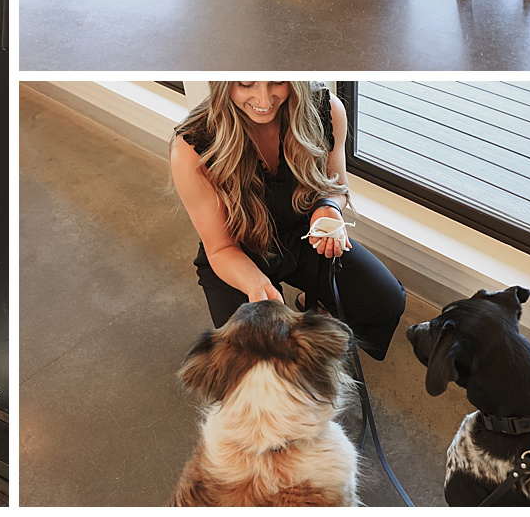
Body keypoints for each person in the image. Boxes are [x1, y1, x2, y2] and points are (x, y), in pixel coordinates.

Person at [169, 81, 406, 360]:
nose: (264, 99)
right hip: (237, 252)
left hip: (304, 233)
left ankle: (314, 301)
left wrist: (328, 208)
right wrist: (257, 286)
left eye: (277, 82)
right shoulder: (192, 146)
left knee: (385, 300)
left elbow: (336, 185)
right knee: (256, 356)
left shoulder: (327, 109)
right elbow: (220, 248)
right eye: (246, 85)